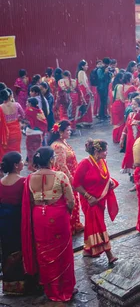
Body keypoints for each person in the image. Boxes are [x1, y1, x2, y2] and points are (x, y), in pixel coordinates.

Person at [22, 147, 76, 301]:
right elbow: (70, 201)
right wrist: (67, 213)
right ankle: (65, 288)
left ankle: (51, 289)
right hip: (58, 216)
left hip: (39, 217)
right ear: (51, 160)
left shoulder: (29, 179)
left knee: (44, 252)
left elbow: (31, 202)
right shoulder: (60, 176)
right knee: (63, 252)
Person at [72, 139, 119, 263]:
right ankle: (110, 255)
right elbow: (75, 184)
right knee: (98, 225)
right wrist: (88, 197)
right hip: (90, 201)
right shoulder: (84, 164)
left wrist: (111, 182)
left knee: (93, 225)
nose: (106, 153)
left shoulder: (102, 162)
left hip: (100, 200)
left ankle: (88, 249)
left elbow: (105, 177)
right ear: (97, 151)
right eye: (105, 151)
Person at [0, 152, 28, 295]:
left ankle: (9, 284)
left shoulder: (1, 182)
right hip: (19, 221)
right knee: (21, 249)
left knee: (7, 251)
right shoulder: (23, 181)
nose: (24, 162)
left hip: (4, 223)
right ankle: (23, 283)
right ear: (17, 165)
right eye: (22, 160)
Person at [49, 120, 84, 234]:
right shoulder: (58, 146)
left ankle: (75, 224)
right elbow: (61, 166)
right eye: (68, 130)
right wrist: (70, 179)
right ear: (60, 132)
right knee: (69, 200)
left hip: (72, 175)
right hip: (66, 178)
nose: (70, 132)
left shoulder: (63, 142)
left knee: (74, 200)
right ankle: (70, 226)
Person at [0, 89, 24, 156]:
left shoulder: (0, 107)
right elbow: (23, 115)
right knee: (16, 150)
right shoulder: (17, 105)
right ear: (10, 96)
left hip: (5, 133)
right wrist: (17, 117)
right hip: (16, 131)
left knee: (5, 152)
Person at [24, 98, 47, 165]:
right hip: (39, 133)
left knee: (30, 150)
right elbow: (43, 122)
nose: (26, 104)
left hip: (31, 133)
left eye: (27, 102)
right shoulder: (40, 111)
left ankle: (31, 164)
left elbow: (30, 122)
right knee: (37, 149)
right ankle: (37, 163)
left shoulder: (29, 110)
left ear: (30, 103)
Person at [75, 60, 94, 126]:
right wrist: (89, 90)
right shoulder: (81, 72)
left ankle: (84, 121)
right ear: (82, 66)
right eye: (86, 65)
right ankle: (85, 121)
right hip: (84, 90)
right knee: (85, 105)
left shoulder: (81, 72)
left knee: (85, 105)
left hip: (84, 89)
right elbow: (84, 82)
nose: (87, 66)